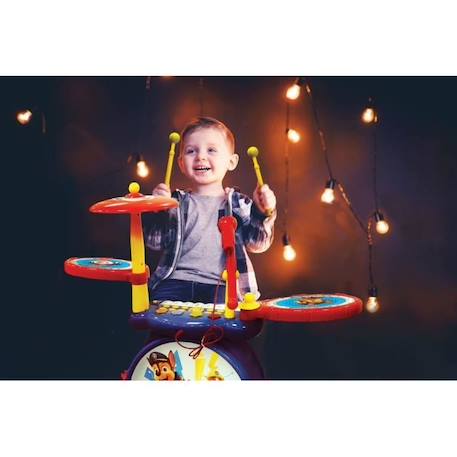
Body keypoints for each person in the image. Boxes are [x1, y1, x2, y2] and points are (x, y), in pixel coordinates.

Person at [144, 116, 277, 304]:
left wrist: (262, 212)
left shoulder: (240, 204)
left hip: (222, 286)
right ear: (181, 163)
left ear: (231, 162)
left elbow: (258, 244)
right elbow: (154, 242)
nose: (201, 156)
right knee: (163, 321)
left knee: (224, 327)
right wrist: (158, 209)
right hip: (175, 282)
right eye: (191, 151)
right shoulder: (173, 202)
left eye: (211, 150)